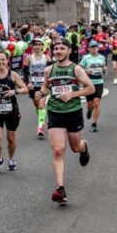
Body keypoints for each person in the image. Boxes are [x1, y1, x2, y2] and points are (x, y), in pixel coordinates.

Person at [40, 41, 95, 205]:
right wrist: (40, 95)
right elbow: (46, 88)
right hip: (55, 112)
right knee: (58, 150)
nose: (58, 51)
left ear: (69, 51)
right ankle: (60, 189)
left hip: (73, 112)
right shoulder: (49, 70)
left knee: (75, 148)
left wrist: (73, 94)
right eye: (56, 49)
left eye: (62, 48)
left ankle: (84, 147)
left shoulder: (76, 69)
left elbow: (90, 88)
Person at [0, 50, 28, 174]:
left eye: (3, 59)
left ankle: (11, 159)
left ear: (7, 60)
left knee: (10, 138)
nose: (1, 62)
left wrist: (15, 91)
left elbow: (25, 88)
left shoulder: (12, 75)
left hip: (11, 110)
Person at [80, 40, 107, 131]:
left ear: (98, 48)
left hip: (99, 82)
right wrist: (86, 71)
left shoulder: (102, 57)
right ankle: (89, 109)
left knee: (97, 103)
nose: (94, 48)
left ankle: (94, 123)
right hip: (88, 83)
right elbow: (79, 69)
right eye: (92, 47)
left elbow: (103, 67)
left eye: (95, 47)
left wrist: (104, 68)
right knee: (90, 104)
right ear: (89, 49)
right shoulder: (85, 58)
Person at [24, 39, 49, 137]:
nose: (37, 47)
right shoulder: (29, 58)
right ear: (32, 47)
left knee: (42, 105)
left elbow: (50, 71)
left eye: (39, 45)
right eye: (35, 45)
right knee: (37, 105)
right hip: (33, 85)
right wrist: (28, 83)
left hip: (44, 85)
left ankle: (40, 127)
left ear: (42, 46)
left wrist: (49, 83)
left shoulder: (47, 58)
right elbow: (25, 72)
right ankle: (41, 117)